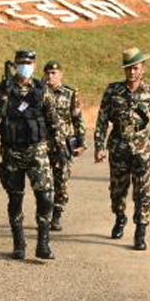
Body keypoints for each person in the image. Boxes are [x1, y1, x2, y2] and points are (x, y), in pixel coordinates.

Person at [0, 49, 69, 261]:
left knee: (45, 197)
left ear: (34, 64)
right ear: (15, 64)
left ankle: (43, 243)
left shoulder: (41, 90)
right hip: (12, 151)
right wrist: (3, 97)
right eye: (22, 62)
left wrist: (60, 150)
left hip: (37, 151)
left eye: (29, 62)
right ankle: (19, 242)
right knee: (15, 199)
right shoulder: (4, 88)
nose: (25, 66)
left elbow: (54, 121)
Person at [94, 48, 150, 251]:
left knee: (142, 191)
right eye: (128, 69)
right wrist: (99, 146)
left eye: (135, 68)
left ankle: (140, 232)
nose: (132, 73)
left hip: (142, 147)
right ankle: (120, 217)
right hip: (118, 146)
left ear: (142, 69)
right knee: (117, 191)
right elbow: (101, 121)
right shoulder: (112, 91)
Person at [42, 61, 86, 231]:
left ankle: (57, 215)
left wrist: (81, 142)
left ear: (60, 74)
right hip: (43, 146)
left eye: (53, 72)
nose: (50, 76)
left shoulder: (70, 94)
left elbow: (77, 119)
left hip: (62, 147)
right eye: (47, 73)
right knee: (44, 183)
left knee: (61, 182)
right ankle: (44, 214)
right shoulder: (39, 93)